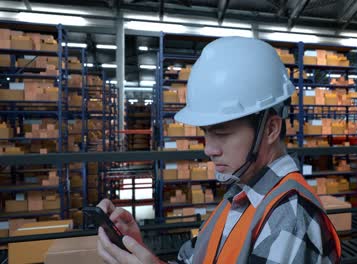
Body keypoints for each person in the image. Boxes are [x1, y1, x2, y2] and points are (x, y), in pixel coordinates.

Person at [97, 36, 341, 264]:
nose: (209, 150)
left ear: (270, 130)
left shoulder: (288, 219)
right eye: (206, 133)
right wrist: (141, 251)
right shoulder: (240, 196)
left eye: (222, 133)